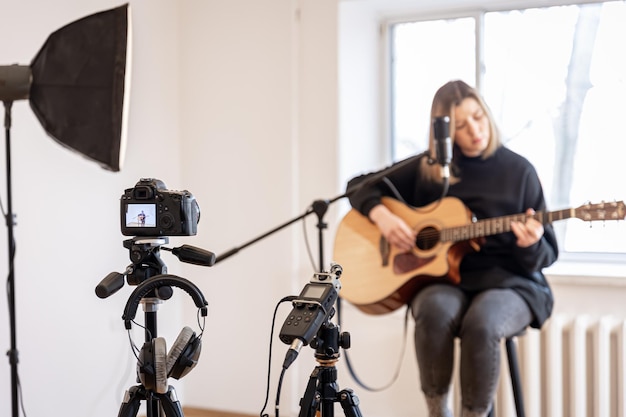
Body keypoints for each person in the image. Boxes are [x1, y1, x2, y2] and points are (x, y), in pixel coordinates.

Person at [345, 80, 558, 417]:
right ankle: (437, 410)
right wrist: (382, 216)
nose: (475, 130)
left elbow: (548, 253)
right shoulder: (431, 169)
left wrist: (528, 244)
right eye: (460, 125)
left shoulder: (519, 172)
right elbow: (357, 186)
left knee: (483, 323)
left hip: (512, 282)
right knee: (432, 311)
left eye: (478, 117)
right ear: (445, 134)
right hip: (447, 281)